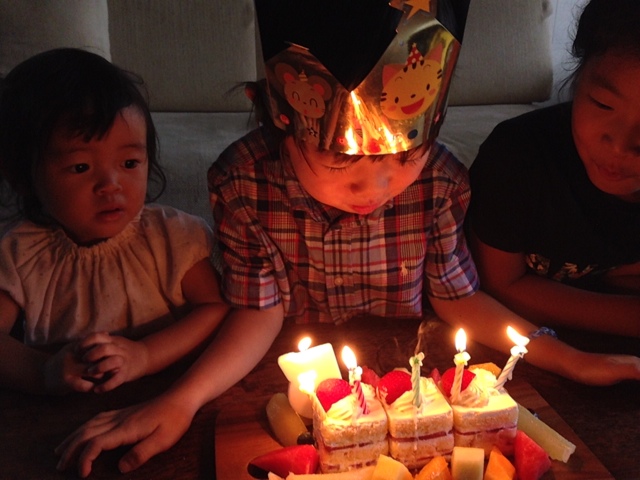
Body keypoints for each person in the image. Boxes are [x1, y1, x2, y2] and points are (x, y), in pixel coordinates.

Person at [54, 1, 640, 477]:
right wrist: (180, 401)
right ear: (279, 120)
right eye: (339, 161)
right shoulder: (244, 182)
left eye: (404, 157)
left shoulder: (439, 181)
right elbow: (258, 311)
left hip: (410, 373)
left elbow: (460, 299)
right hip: (295, 378)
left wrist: (572, 360)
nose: (376, 186)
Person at [0, 48, 230, 396]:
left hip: (169, 394)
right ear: (22, 178)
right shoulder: (21, 253)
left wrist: (145, 355)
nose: (111, 185)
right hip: (68, 412)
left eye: (129, 163)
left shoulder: (171, 237)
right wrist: (44, 371)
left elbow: (215, 308)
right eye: (81, 167)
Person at [465, 0, 640, 379]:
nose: (620, 146)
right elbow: (500, 285)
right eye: (603, 104)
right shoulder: (518, 158)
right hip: (518, 347)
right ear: (577, 79)